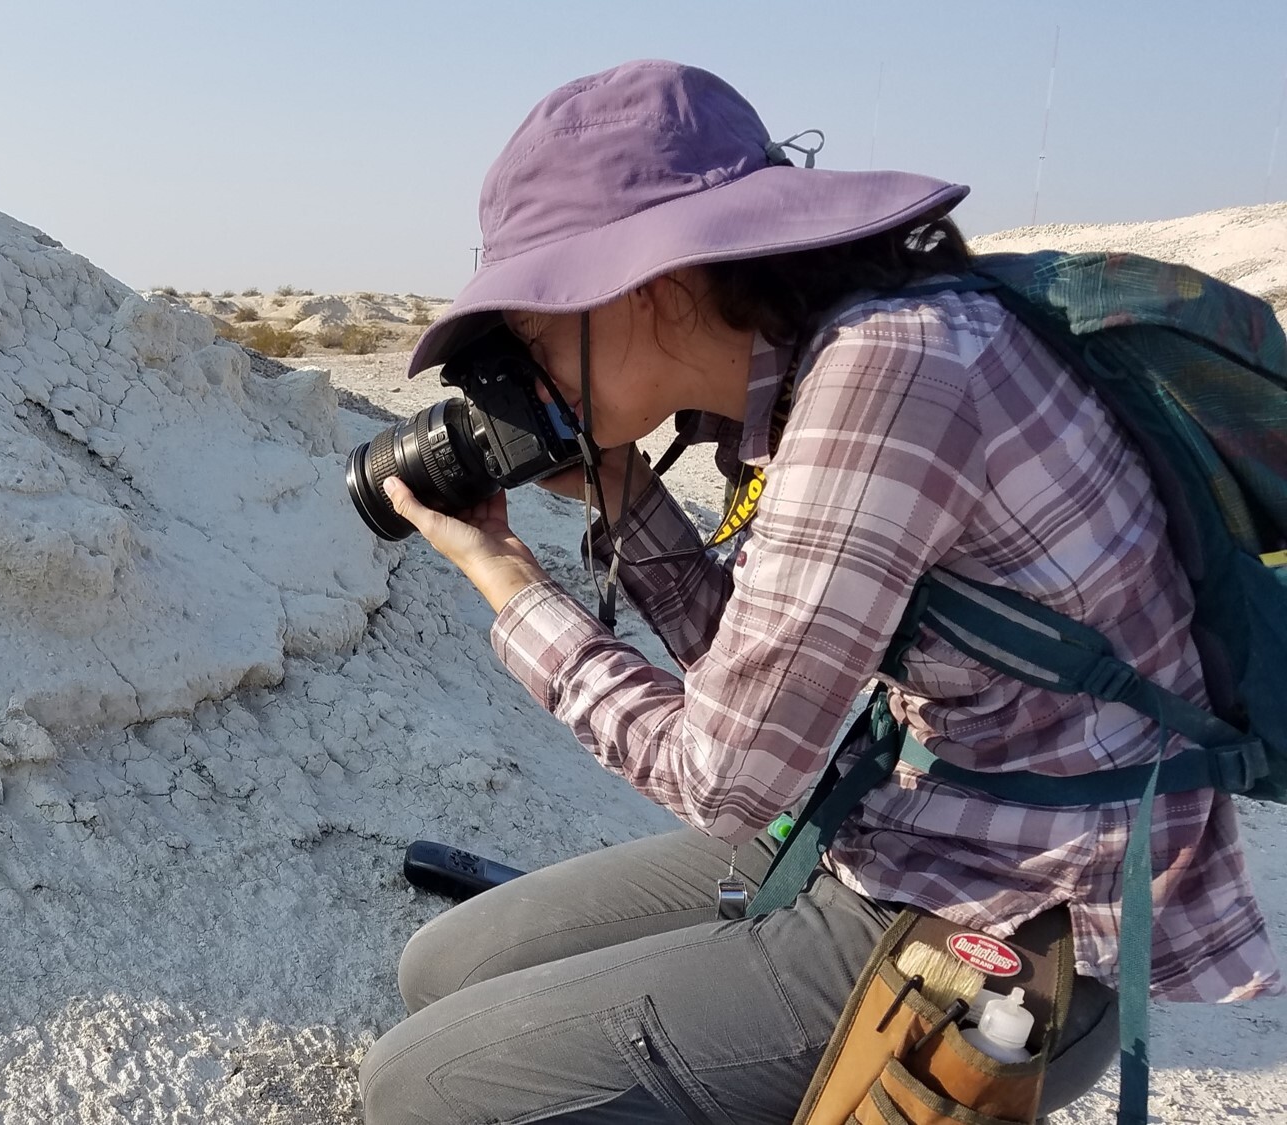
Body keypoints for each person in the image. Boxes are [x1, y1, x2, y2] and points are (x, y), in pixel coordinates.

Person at [358, 60, 1281, 1125]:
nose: (527, 378)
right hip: (913, 819)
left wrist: (507, 585)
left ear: (644, 287)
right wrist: (619, 489)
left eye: (532, 333)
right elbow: (748, 674)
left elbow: (722, 780)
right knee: (446, 967)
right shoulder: (831, 359)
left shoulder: (882, 380)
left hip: (1016, 916)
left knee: (420, 1086)